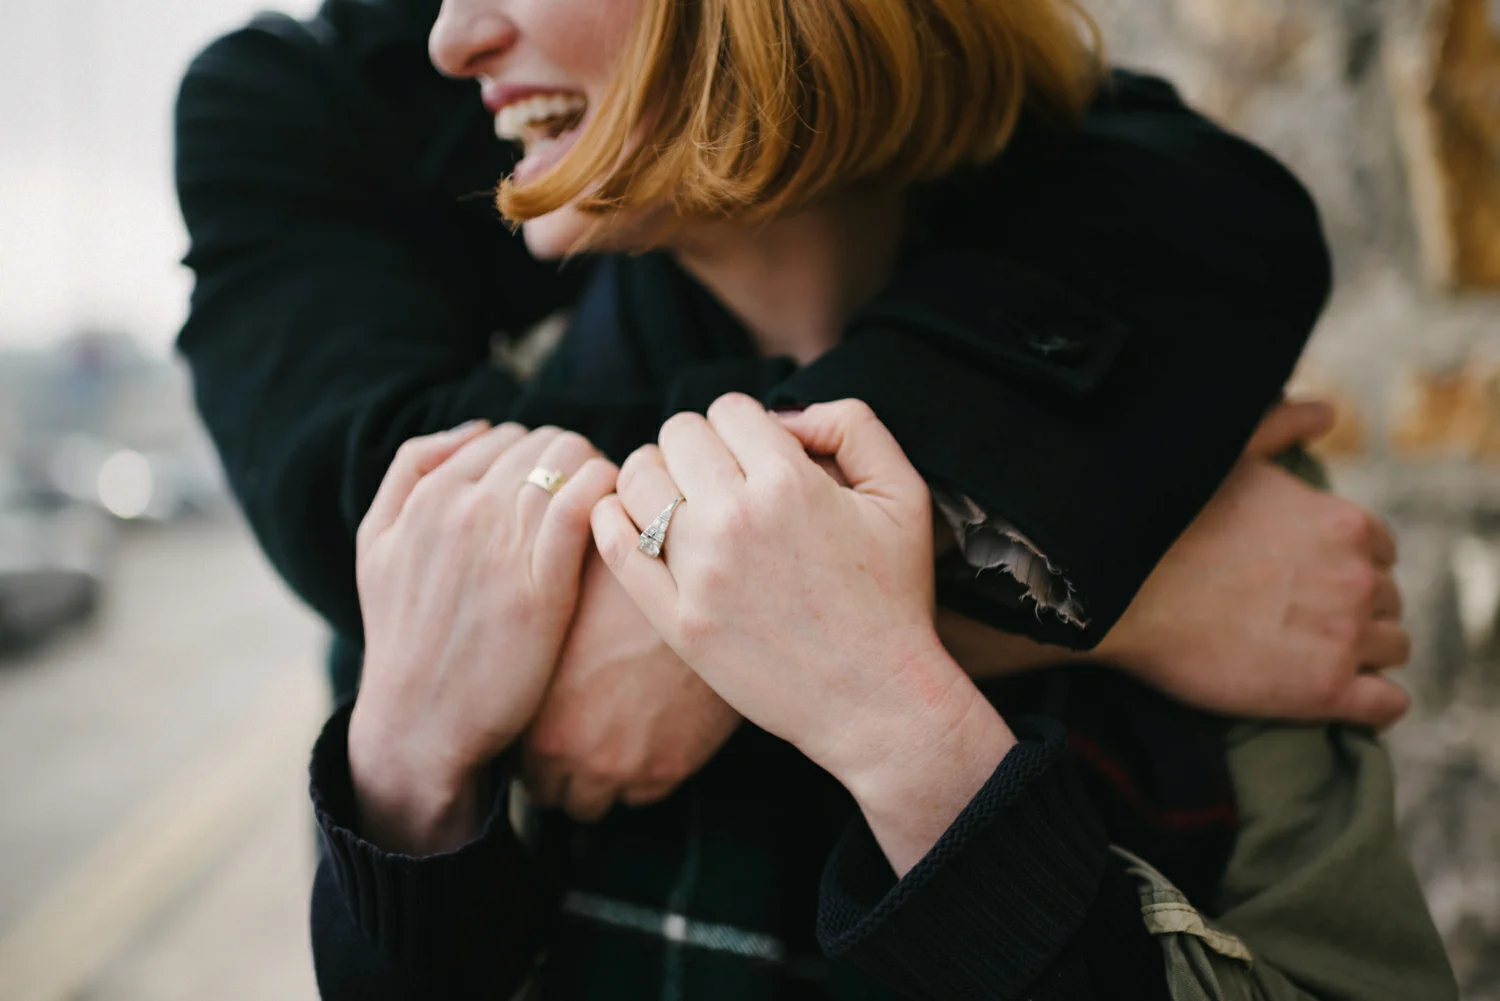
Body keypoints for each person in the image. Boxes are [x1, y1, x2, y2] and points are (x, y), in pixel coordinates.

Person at [269, 0, 1455, 997]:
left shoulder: (1187, 441)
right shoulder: (483, 499)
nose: (451, 37)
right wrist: (405, 786)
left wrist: (912, 741)